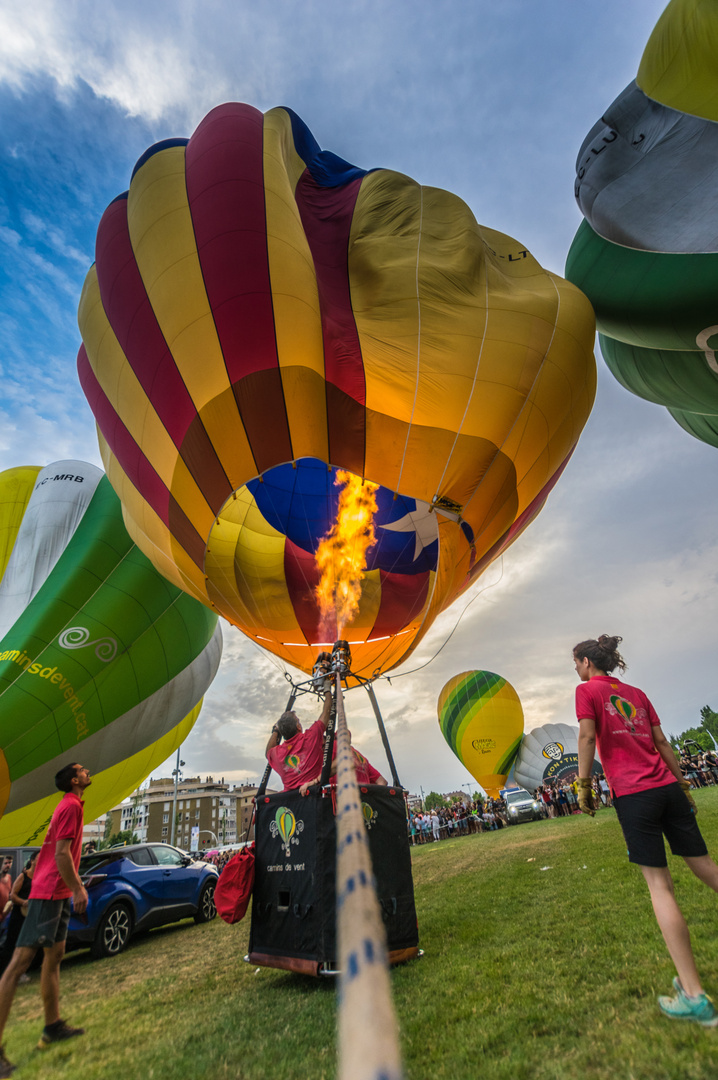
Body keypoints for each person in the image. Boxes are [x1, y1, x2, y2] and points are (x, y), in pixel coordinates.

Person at [574, 634, 718, 1027]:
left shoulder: (587, 691)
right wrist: (682, 782)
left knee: (660, 886)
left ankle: (694, 996)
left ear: (587, 662)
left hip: (636, 795)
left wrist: (584, 786)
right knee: (705, 866)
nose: (576, 669)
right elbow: (660, 741)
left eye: (576, 662)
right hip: (667, 787)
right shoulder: (636, 692)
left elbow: (587, 736)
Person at [0, 762, 91, 1075]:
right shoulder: (70, 807)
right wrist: (78, 888)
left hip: (58, 892)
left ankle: (52, 1026)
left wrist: (72, 889)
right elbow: (62, 854)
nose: (87, 771)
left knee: (55, 956)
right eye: (82, 769)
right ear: (73, 779)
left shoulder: (73, 805)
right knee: (19, 964)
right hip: (50, 891)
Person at [266, 691, 333, 791]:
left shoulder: (277, 754)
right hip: (314, 797)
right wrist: (327, 691)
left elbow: (268, 751)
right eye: (298, 721)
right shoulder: (310, 737)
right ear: (298, 727)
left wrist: (275, 731)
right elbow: (327, 712)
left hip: (294, 804)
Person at [0, 853, 39, 978]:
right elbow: (12, 895)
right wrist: (23, 902)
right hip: (18, 915)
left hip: (30, 916)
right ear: (32, 860)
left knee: (26, 945)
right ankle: (5, 972)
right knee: (11, 944)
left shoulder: (38, 877)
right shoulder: (23, 876)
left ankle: (20, 971)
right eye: (39, 857)